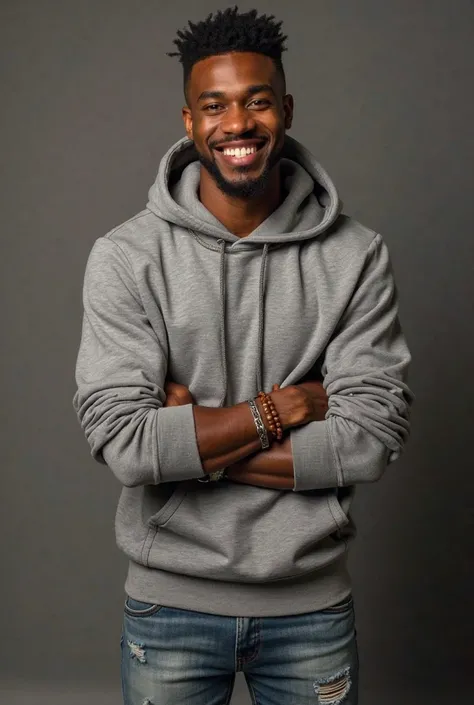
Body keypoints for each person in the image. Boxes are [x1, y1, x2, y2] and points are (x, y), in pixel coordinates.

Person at [72, 7, 414, 704]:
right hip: (169, 607)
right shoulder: (126, 257)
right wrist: (280, 409)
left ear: (285, 109)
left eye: (258, 101)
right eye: (216, 106)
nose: (239, 124)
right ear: (190, 121)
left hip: (310, 607)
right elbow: (126, 445)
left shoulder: (355, 256)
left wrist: (197, 433)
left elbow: (370, 440)